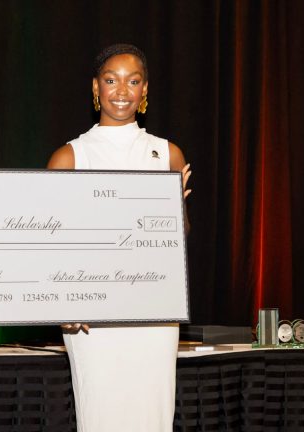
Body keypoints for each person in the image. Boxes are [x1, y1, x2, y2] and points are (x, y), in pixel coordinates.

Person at [47, 44, 191, 431]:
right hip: (93, 315)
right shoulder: (69, 157)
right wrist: (66, 302)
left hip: (154, 312)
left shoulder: (167, 154)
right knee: (101, 416)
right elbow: (52, 244)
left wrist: (173, 209)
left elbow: (179, 241)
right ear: (96, 87)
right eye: (111, 80)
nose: (122, 90)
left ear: (145, 90)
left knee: (153, 417)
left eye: (133, 80)